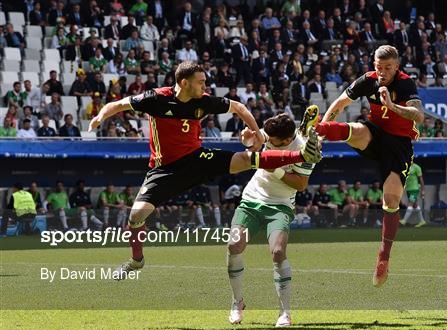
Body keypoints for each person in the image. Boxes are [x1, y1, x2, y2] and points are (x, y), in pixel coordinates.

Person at [87, 62, 322, 279]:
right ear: (184, 83)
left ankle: (302, 154)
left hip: (197, 158)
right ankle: (136, 261)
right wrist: (100, 116)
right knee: (136, 215)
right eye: (201, 82)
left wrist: (257, 133)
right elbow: (117, 104)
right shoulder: (155, 98)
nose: (205, 86)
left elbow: (239, 107)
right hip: (164, 169)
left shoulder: (204, 101)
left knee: (246, 159)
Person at [300, 45, 424, 287]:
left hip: (399, 145)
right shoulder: (368, 81)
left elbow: (419, 116)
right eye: (378, 67)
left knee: (390, 201)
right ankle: (314, 132)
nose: (382, 72)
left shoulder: (405, 84)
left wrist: (393, 106)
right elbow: (340, 102)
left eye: (387, 68)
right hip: (375, 134)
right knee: (357, 130)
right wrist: (324, 128)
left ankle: (383, 257)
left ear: (396, 67)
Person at [227, 110, 317, 328]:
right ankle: (237, 302)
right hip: (251, 199)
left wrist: (274, 169)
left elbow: (301, 184)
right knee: (234, 245)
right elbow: (258, 141)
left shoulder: (306, 149)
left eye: (274, 142)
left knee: (278, 252)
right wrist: (249, 141)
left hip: (281, 204)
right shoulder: (275, 134)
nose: (270, 142)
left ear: (287, 140)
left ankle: (284, 313)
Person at [400, 162, 426, 227]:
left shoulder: (416, 167)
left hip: (414, 189)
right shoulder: (405, 167)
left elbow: (421, 179)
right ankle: (422, 221)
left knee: (410, 203)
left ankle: (404, 220)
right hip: (408, 189)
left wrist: (423, 190)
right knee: (415, 205)